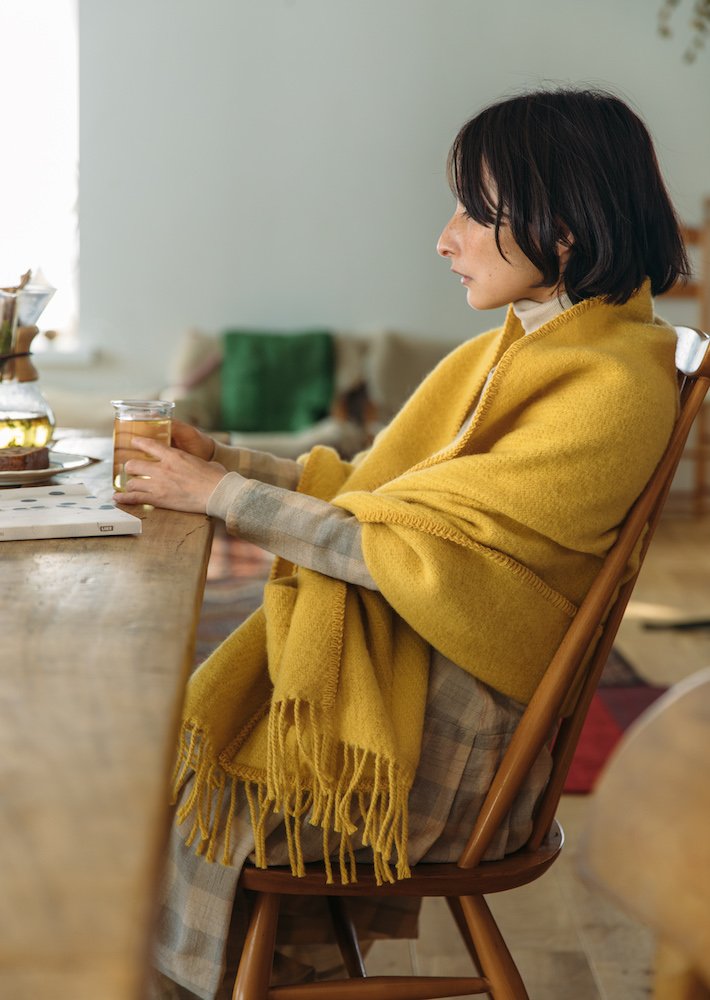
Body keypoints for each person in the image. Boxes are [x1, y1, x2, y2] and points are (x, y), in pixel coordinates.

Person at [119, 87, 688, 999]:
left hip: (451, 755)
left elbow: (423, 560)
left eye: (475, 210)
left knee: (147, 800)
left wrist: (221, 496)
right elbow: (374, 496)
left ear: (564, 229)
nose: (445, 237)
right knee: (148, 775)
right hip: (421, 709)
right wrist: (218, 460)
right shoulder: (520, 348)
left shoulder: (611, 387)